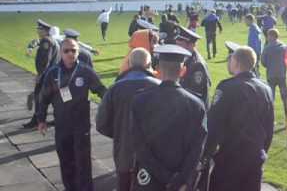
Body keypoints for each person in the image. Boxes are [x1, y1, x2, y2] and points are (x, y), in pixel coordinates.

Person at [130, 44, 207, 191]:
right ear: (183, 71)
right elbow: (197, 148)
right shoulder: (196, 104)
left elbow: (138, 144)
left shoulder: (140, 100)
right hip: (180, 181)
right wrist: (179, 179)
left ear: (157, 69)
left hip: (148, 176)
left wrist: (163, 175)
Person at [37, 38, 106, 191]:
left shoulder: (85, 71)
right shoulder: (53, 73)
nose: (70, 54)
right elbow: (44, 98)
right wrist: (41, 119)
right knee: (66, 161)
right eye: (66, 51)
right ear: (61, 53)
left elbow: (101, 90)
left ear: (78, 52)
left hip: (81, 126)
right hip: (62, 125)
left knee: (83, 162)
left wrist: (111, 104)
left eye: (73, 50)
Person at [204, 46, 274, 191]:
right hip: (255, 157)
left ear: (235, 62)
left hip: (230, 159)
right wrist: (261, 150)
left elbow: (214, 125)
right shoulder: (266, 88)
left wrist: (205, 155)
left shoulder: (227, 87)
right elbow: (269, 127)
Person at [96, 48, 161, 191]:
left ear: (129, 64)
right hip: (153, 156)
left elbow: (101, 124)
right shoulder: (160, 87)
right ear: (149, 64)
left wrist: (120, 133)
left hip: (124, 153)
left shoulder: (115, 88)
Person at [23, 20, 60, 129]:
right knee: (52, 99)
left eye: (39, 29)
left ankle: (37, 121)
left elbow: (45, 61)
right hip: (52, 76)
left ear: (45, 31)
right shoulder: (51, 40)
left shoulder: (46, 41)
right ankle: (55, 119)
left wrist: (40, 75)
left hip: (45, 76)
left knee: (39, 99)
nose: (37, 31)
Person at [261, 29, 287, 126]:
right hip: (282, 75)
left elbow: (263, 62)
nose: (267, 37)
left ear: (272, 36)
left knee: (271, 98)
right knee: (285, 98)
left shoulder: (267, 48)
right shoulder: (284, 47)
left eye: (268, 35)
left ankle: (271, 120)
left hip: (271, 75)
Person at [176, 25, 211, 108]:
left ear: (190, 45)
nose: (177, 47)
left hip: (196, 111)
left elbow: (195, 94)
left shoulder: (197, 65)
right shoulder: (186, 58)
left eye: (180, 44)